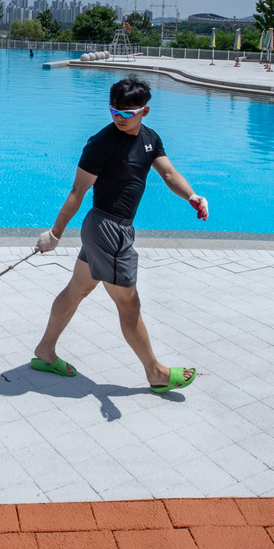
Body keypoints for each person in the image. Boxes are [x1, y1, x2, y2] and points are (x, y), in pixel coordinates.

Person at [32, 76, 208, 393]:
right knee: (130, 305)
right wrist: (55, 234)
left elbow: (168, 173)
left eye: (128, 114)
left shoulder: (150, 138)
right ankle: (155, 372)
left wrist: (192, 196)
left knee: (76, 290)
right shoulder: (101, 143)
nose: (119, 118)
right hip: (107, 230)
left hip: (116, 230)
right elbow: (77, 191)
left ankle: (45, 352)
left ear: (145, 111)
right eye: (114, 111)